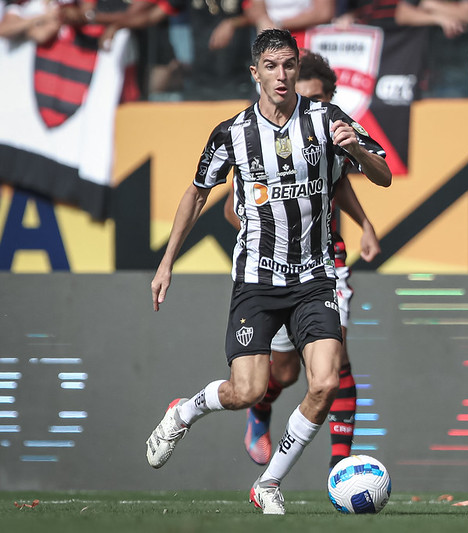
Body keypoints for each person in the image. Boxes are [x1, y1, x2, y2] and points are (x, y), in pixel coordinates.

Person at [146, 28, 391, 515]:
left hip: (315, 277)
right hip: (257, 281)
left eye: (290, 65)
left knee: (325, 382)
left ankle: (269, 483)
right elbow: (197, 195)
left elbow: (381, 174)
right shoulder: (232, 134)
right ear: (255, 72)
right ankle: (185, 410)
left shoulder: (326, 119)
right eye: (272, 66)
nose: (283, 75)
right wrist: (167, 260)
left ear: (298, 69)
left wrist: (358, 150)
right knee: (249, 390)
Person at [222, 50, 381, 470]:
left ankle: (340, 468)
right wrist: (264, 227)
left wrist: (364, 223)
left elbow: (339, 182)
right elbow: (230, 204)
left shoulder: (330, 124)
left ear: (328, 96)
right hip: (273, 269)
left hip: (326, 262)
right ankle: (260, 407)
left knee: (336, 358)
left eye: (312, 96)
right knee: (287, 373)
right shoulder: (259, 137)